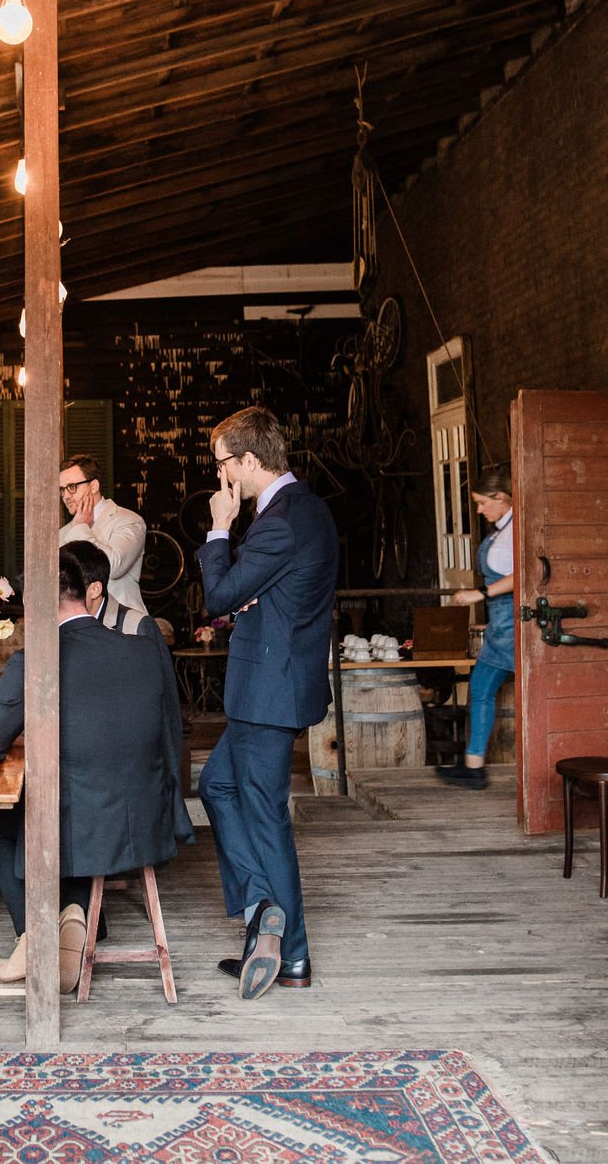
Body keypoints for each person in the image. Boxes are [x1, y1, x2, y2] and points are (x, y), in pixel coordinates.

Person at [0, 550, 180, 991]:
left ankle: (33, 937)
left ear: (35, 601)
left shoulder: (34, 662)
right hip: (144, 822)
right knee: (52, 806)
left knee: (2, 822)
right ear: (82, 594)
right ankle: (77, 912)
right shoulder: (144, 651)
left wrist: (11, 732)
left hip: (80, 826)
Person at [196, 405, 337, 999]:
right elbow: (261, 594)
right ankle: (262, 910)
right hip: (276, 682)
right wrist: (249, 597)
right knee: (218, 787)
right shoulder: (307, 510)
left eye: (224, 464)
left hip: (267, 691)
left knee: (265, 814)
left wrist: (220, 529)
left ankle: (292, 948)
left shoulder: (276, 521)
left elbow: (219, 595)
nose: (222, 477)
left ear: (250, 461)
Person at [64, 538, 194, 849]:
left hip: (120, 775)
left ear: (94, 590)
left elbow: (166, 713)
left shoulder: (136, 627)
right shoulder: (58, 625)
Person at [437, 464, 515, 791]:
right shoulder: (504, 528)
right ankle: (473, 765)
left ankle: (474, 767)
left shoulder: (514, 534)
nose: (480, 509)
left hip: (512, 630)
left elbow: (523, 576)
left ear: (501, 498)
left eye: (483, 502)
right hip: (504, 625)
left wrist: (478, 594)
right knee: (481, 689)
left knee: (482, 689)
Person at [58, 454, 148, 614]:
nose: (66, 495)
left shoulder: (129, 521)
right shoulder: (63, 533)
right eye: (62, 489)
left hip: (122, 627)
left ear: (94, 486)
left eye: (72, 487)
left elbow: (114, 567)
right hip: (77, 629)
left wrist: (80, 528)